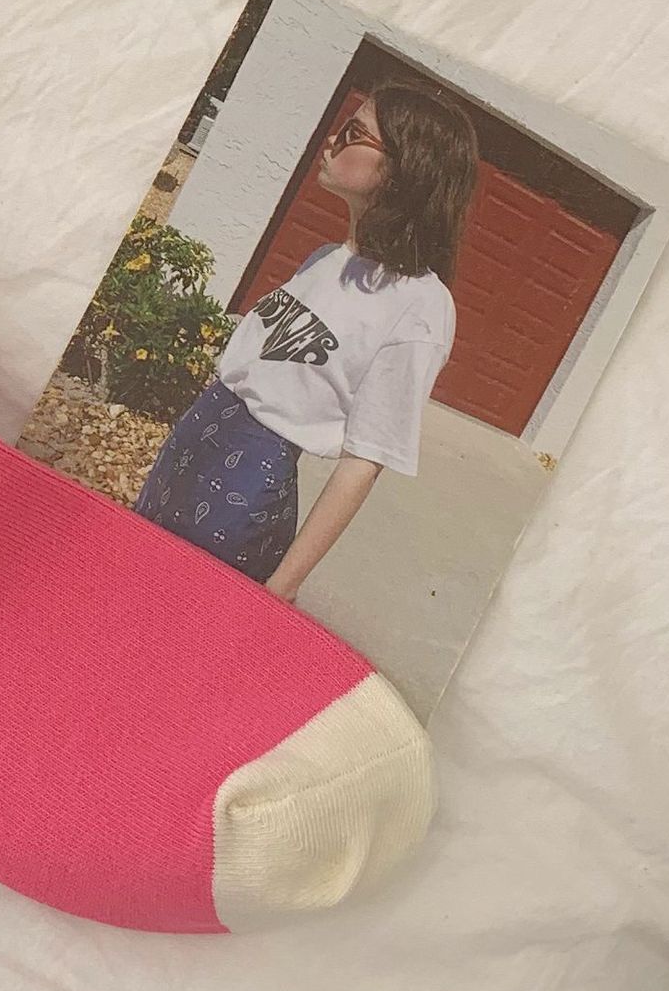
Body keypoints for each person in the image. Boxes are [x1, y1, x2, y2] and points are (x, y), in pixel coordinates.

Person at [134, 82, 479, 602]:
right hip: (192, 447)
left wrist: (282, 587)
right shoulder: (326, 258)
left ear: (403, 168)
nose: (333, 140)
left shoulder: (420, 306)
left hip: (241, 493)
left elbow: (364, 460)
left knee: (173, 622)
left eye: (354, 132)